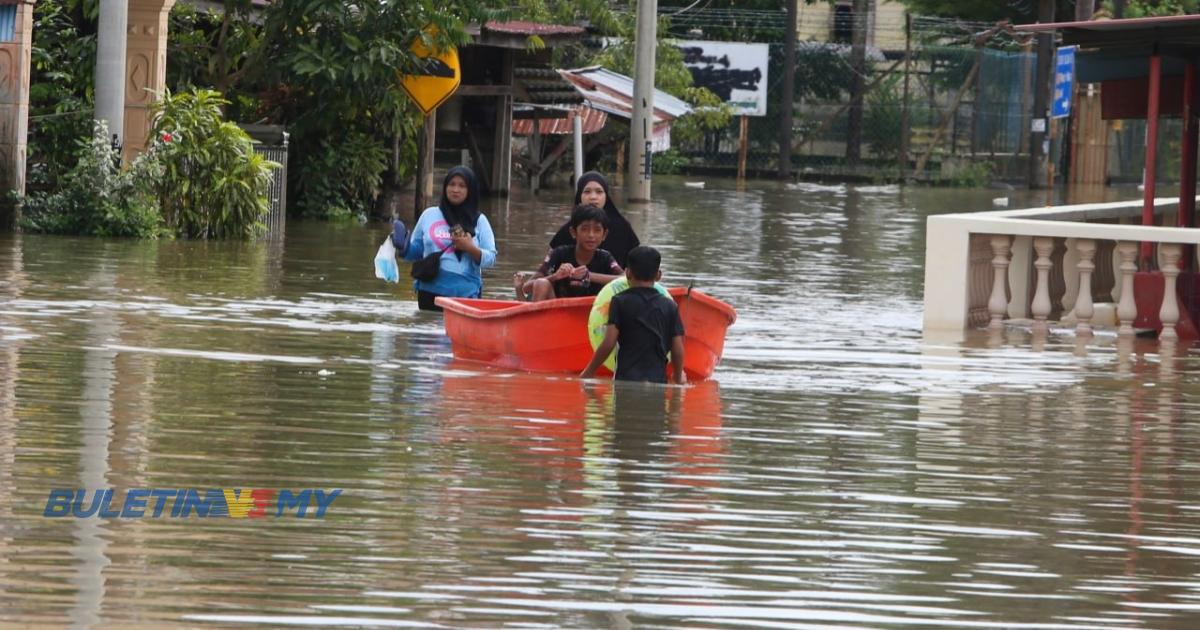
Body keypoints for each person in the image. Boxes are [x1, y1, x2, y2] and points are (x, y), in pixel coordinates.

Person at [396, 166, 497, 311]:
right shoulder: (429, 215)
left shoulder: (479, 221)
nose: (455, 189)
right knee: (426, 332)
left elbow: (491, 258)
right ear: (445, 187)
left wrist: (470, 248)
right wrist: (403, 247)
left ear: (471, 190)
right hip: (429, 293)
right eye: (452, 184)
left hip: (465, 296)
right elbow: (417, 251)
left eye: (462, 186)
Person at [581, 246, 686, 384]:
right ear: (658, 275)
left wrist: (588, 372)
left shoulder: (619, 301)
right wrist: (678, 378)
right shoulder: (670, 305)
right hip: (657, 381)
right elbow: (677, 348)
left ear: (628, 273)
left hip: (625, 379)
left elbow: (609, 342)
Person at [515, 204, 623, 301]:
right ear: (573, 232)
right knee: (542, 283)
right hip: (557, 313)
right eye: (585, 229)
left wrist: (588, 276)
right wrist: (555, 276)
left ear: (604, 235)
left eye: (597, 230)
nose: (591, 235)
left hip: (590, 314)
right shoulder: (558, 253)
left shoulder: (605, 257)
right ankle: (536, 322)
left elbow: (625, 280)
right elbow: (527, 288)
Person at [549, 171, 639, 268]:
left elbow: (634, 271)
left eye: (599, 192)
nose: (593, 197)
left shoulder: (623, 229)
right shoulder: (568, 230)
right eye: (587, 191)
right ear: (580, 195)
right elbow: (549, 269)